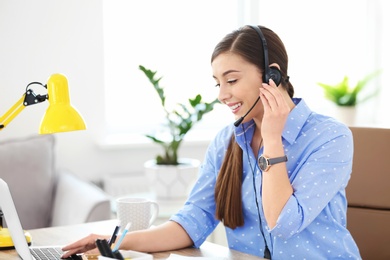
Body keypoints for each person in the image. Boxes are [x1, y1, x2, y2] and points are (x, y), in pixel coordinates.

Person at [61, 25, 361, 259]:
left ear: (272, 76)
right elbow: (194, 220)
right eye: (218, 83)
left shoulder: (329, 137)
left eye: (231, 81)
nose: (222, 95)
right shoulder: (227, 141)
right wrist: (112, 241)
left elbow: (283, 222)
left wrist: (272, 137)